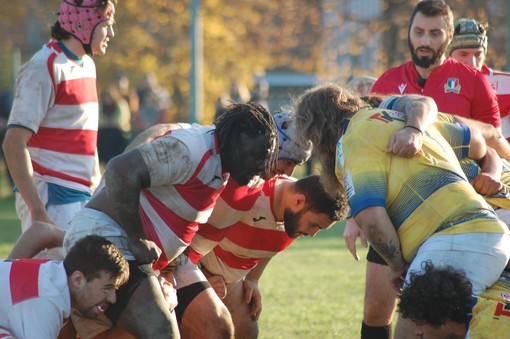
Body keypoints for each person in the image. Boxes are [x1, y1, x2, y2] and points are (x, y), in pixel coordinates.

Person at [293, 83, 510, 338]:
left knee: (414, 327)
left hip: (455, 241)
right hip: (491, 233)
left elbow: (372, 221)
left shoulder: (353, 140)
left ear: (319, 132)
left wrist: (396, 266)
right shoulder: (405, 119)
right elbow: (477, 144)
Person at [62, 102, 278, 339]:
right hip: (106, 240)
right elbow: (119, 170)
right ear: (237, 141)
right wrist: (137, 239)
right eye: (256, 156)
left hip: (135, 254)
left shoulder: (220, 160)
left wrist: (167, 269)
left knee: (213, 329)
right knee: (162, 332)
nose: (262, 167)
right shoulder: (192, 149)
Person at [2, 0, 117, 233]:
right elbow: (13, 144)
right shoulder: (44, 66)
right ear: (85, 24)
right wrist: (38, 213)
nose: (112, 33)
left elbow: (85, 140)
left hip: (86, 196)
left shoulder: (87, 65)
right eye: (107, 25)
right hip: (53, 198)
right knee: (58, 270)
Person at [181, 175, 343, 338]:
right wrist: (200, 279)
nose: (312, 234)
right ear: (299, 201)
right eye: (314, 225)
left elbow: (271, 243)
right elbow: (191, 232)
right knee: (214, 331)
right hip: (189, 270)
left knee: (247, 330)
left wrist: (253, 279)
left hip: (228, 281)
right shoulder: (250, 194)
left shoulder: (292, 216)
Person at [371, 1, 502, 134]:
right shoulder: (387, 81)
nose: (425, 41)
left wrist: (453, 124)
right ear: (409, 32)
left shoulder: (474, 81)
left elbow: (497, 145)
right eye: (419, 32)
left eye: (434, 34)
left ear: (450, 36)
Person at [0, 235, 129, 339]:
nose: (113, 299)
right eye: (106, 288)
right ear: (78, 280)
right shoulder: (48, 300)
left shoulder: (54, 277)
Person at [398, 261, 510, 338]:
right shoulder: (483, 302)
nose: (416, 331)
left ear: (446, 321)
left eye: (420, 323)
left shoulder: (484, 333)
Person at [447, 18, 510, 144]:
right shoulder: (434, 83)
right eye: (463, 55)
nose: (472, 63)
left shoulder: (507, 84)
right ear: (448, 54)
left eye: (478, 54)